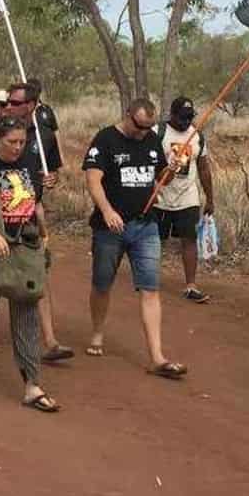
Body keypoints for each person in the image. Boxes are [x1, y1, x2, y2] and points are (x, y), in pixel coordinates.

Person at [0, 116, 60, 412]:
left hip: (24, 248)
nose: (18, 147)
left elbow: (34, 202)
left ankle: (32, 383)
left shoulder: (29, 163)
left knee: (26, 310)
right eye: (12, 142)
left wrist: (43, 232)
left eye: (22, 142)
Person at [84, 99, 187, 379]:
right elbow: (93, 179)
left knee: (150, 288)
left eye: (149, 127)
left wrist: (171, 170)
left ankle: (157, 356)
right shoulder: (105, 139)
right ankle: (97, 331)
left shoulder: (152, 140)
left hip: (146, 225)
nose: (144, 132)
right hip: (110, 228)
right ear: (128, 115)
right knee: (102, 283)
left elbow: (159, 180)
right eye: (140, 126)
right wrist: (106, 211)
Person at [3, 81, 72, 362]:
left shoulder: (45, 136)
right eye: (8, 101)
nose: (9, 106)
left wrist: (52, 178)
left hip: (32, 214)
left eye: (16, 102)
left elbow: (53, 172)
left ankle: (50, 341)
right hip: (2, 216)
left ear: (31, 105)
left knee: (38, 275)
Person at [155, 97, 216, 304]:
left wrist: (210, 198)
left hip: (188, 196)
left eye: (190, 117)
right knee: (156, 240)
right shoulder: (158, 132)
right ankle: (149, 278)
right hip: (160, 196)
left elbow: (204, 167)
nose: (186, 122)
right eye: (182, 118)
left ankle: (191, 285)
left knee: (189, 239)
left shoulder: (197, 135)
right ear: (171, 115)